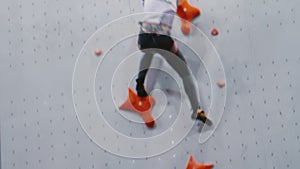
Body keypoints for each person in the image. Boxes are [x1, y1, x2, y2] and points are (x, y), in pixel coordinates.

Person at [135, 0, 211, 125]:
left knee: (149, 50)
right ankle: (196, 110)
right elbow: (184, 11)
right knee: (185, 73)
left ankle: (140, 81)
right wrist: (185, 22)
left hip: (144, 36)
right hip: (162, 38)